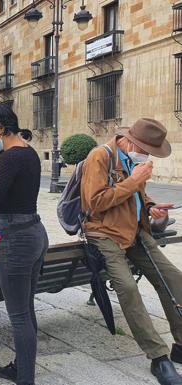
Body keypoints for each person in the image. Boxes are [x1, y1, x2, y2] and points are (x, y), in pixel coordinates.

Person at [81, 118, 182, 385]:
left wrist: (151, 207)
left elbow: (139, 197)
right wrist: (132, 181)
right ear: (130, 141)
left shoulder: (133, 161)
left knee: (173, 277)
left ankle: (181, 343)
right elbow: (95, 202)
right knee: (128, 287)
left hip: (134, 230)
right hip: (104, 232)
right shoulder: (99, 157)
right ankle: (158, 357)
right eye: (145, 150)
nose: (146, 156)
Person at [0, 103, 47, 385]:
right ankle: (21, 366)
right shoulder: (29, 153)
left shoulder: (8, 158)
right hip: (35, 232)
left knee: (18, 315)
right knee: (26, 309)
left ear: (1, 128)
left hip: (16, 240)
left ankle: (25, 378)